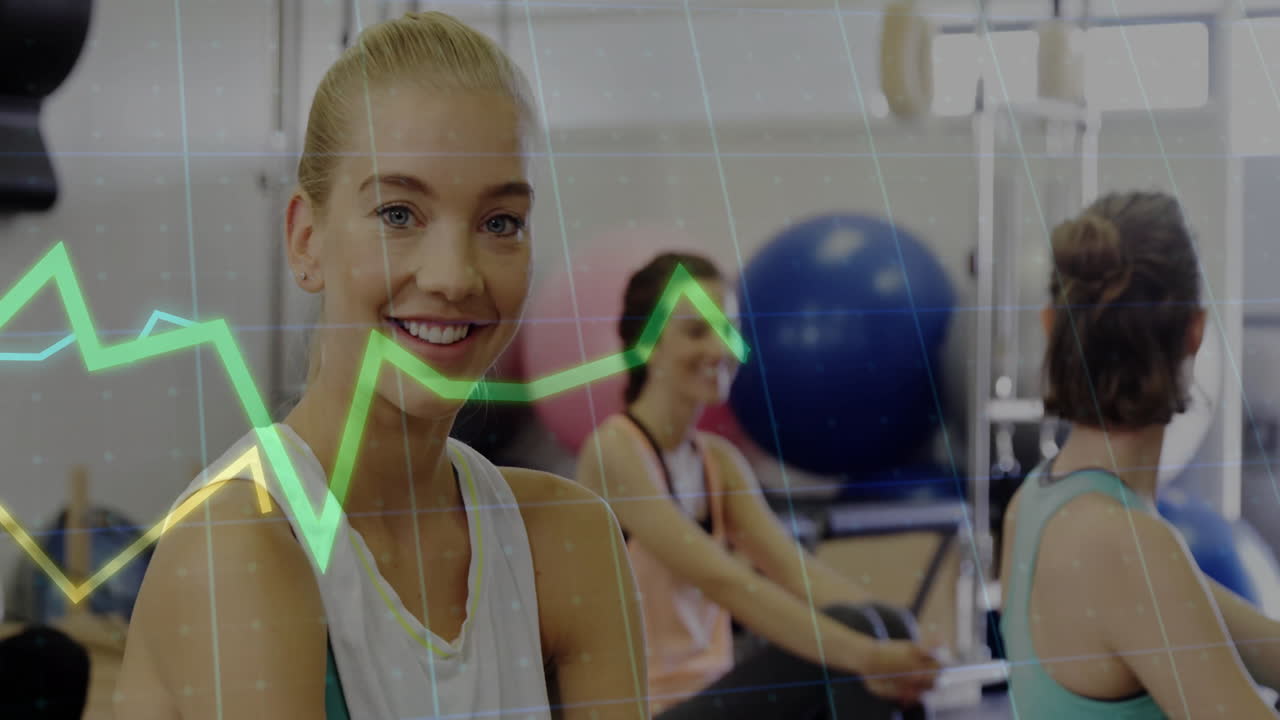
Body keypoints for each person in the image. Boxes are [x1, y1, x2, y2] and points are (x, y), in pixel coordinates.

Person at [114, 12, 647, 720]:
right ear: (306, 240)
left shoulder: (569, 539)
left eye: (499, 223)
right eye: (399, 214)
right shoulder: (240, 549)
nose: (454, 277)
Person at [576, 252, 941, 719]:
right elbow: (724, 581)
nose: (719, 349)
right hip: (649, 709)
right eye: (695, 331)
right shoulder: (615, 452)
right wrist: (866, 654)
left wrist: (901, 640)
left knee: (884, 623)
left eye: (726, 328)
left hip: (716, 694)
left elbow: (795, 571)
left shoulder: (719, 462)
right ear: (646, 344)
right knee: (860, 641)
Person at [1000, 191, 1280, 718]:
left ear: (1049, 326)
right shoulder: (1129, 548)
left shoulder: (1038, 501)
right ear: (1195, 334)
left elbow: (1259, 645)